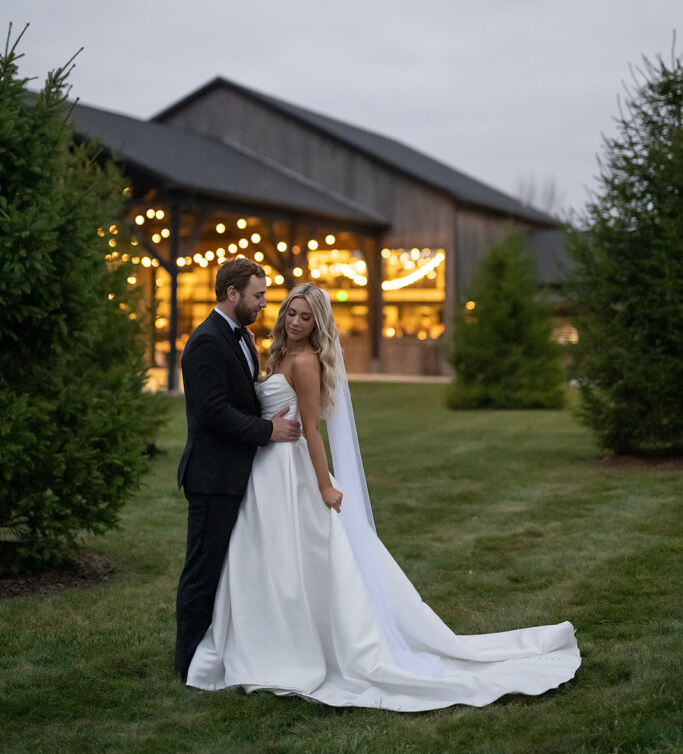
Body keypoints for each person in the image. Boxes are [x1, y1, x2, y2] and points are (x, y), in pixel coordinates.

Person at [186, 283, 580, 711]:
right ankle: (261, 637)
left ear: (318, 322)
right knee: (261, 555)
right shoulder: (277, 354)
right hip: (262, 468)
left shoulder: (306, 362)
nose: (294, 321)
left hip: (289, 468)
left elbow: (312, 429)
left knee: (296, 556)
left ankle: (299, 645)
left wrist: (323, 485)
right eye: (290, 313)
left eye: (304, 316)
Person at [174, 259, 301, 682]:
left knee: (229, 570)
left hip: (235, 472)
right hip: (212, 476)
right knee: (203, 570)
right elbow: (212, 413)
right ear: (232, 294)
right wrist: (267, 430)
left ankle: (223, 649)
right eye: (257, 295)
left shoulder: (242, 336)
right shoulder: (207, 341)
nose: (264, 303)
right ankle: (189, 662)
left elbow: (241, 395)